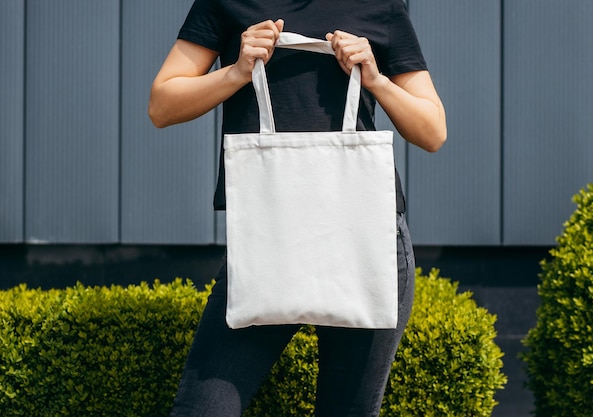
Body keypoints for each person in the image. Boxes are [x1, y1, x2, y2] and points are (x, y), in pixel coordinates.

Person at [149, 1, 446, 416]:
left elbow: (432, 130)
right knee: (203, 408)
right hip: (270, 235)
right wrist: (236, 71)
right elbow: (162, 105)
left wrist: (375, 79)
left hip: (366, 240)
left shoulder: (380, 6)